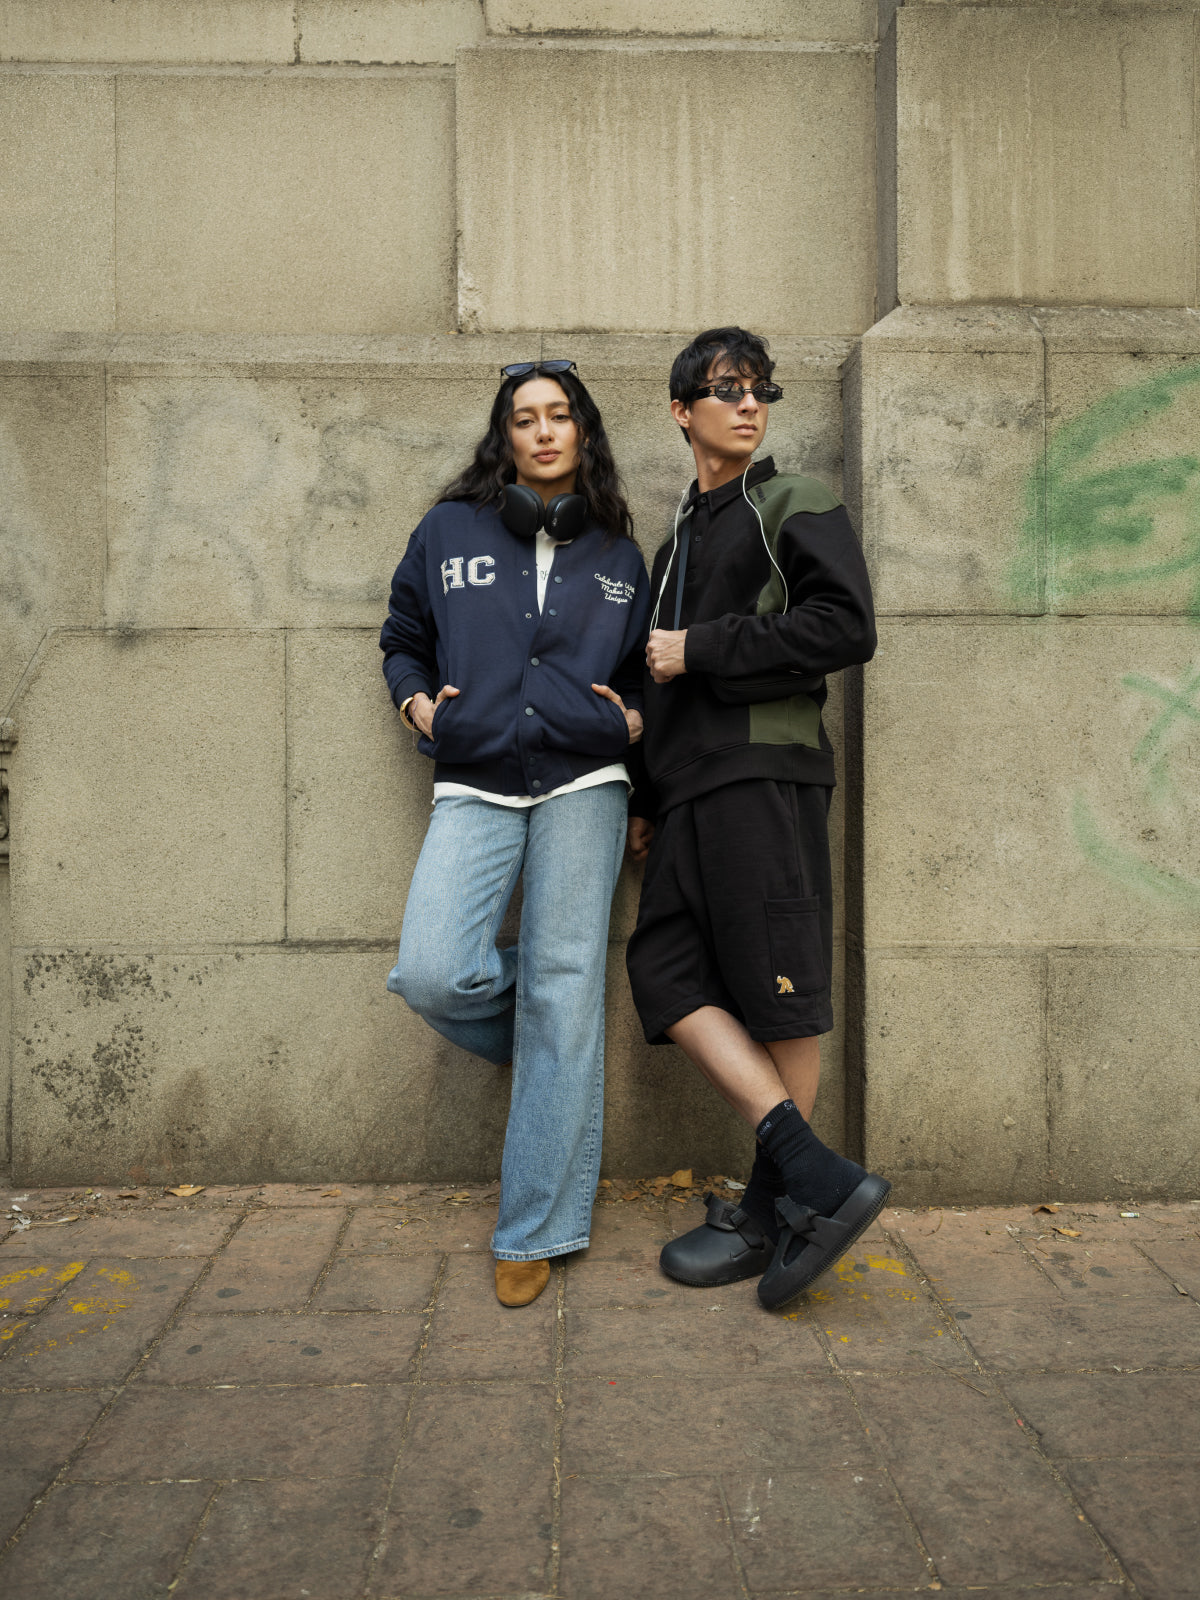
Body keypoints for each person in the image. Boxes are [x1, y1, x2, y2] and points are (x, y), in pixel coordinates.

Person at [625, 327, 890, 1311]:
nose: (749, 405)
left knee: (779, 991)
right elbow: (658, 687)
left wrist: (701, 646)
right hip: (691, 792)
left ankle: (777, 1204)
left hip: (764, 776)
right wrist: (647, 796)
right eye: (727, 390)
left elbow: (846, 624)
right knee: (665, 974)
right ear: (681, 410)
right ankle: (810, 1179)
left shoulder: (793, 501)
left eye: (760, 391)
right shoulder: (672, 548)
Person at [381, 360, 650, 1308]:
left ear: (583, 432)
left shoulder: (618, 551)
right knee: (433, 970)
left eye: (559, 416)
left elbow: (644, 670)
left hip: (586, 778)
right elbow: (403, 634)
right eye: (525, 418)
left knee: (563, 987)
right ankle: (549, 1050)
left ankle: (536, 1227)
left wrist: (633, 722)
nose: (542, 431)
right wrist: (419, 706)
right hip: (476, 775)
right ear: (505, 435)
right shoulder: (448, 530)